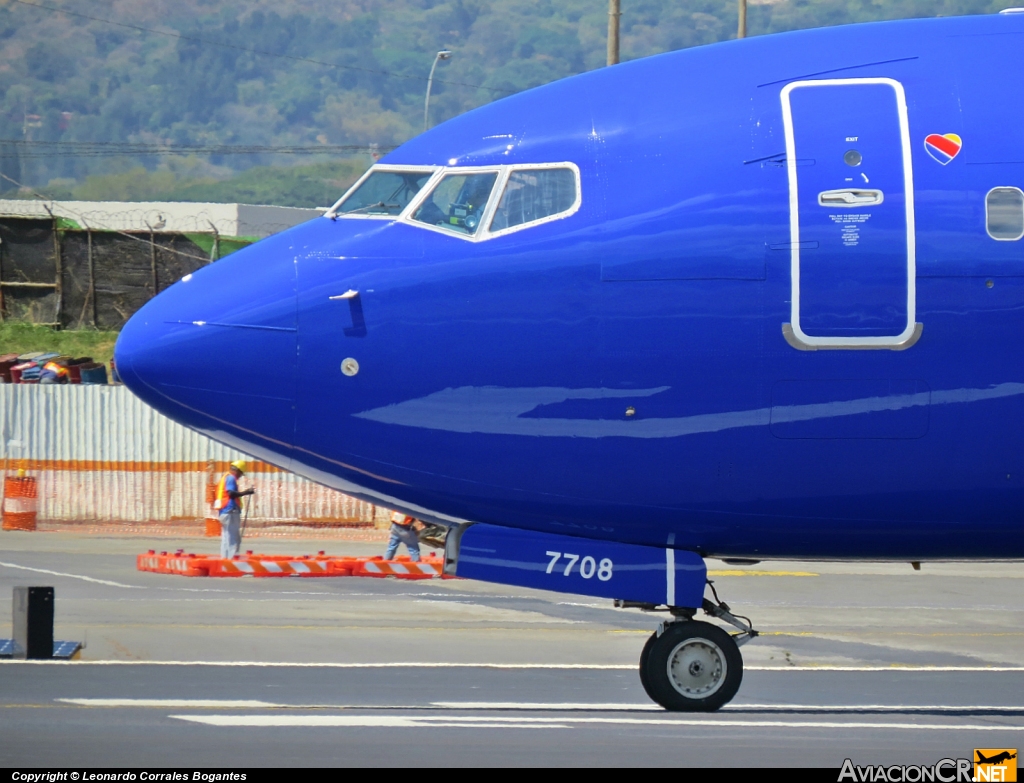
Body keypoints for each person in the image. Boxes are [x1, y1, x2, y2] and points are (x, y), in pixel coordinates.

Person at [215, 460, 254, 559]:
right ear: (237, 470)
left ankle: (225, 559)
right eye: (240, 473)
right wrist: (246, 492)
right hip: (231, 510)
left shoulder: (225, 477)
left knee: (226, 537)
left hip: (224, 511)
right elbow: (231, 494)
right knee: (233, 538)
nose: (240, 476)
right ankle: (231, 562)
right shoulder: (231, 479)